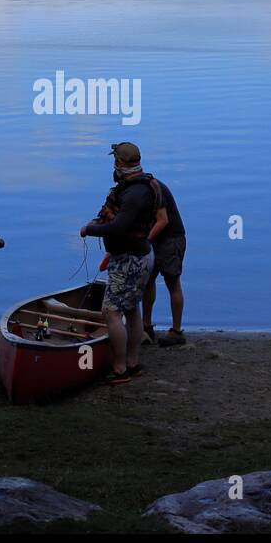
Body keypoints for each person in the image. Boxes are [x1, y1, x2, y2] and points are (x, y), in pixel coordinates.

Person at [80, 142, 159, 385]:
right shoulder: (144, 186)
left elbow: (119, 227)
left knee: (111, 312)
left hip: (129, 261)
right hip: (141, 255)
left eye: (115, 161)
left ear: (121, 164)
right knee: (132, 308)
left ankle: (120, 367)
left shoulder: (135, 193)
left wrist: (89, 229)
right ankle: (132, 364)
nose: (113, 165)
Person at [142, 172, 187, 346]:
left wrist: (144, 241)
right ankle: (146, 327)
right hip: (153, 238)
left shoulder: (152, 187)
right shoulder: (143, 186)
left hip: (171, 239)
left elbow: (163, 221)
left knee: (172, 282)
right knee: (148, 280)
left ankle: (176, 331)